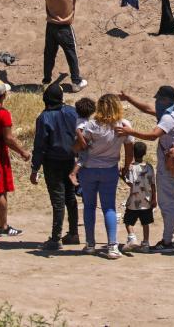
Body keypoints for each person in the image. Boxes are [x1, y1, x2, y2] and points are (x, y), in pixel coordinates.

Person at [117, 87, 174, 251]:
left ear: (165, 100)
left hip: (168, 169)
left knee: (167, 205)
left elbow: (152, 135)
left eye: (158, 99)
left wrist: (130, 131)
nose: (155, 103)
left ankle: (167, 241)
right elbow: (147, 108)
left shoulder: (167, 118)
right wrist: (128, 97)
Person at [29, 0, 106, 92]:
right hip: (65, 28)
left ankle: (46, 81)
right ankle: (76, 82)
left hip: (50, 27)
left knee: (49, 55)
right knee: (71, 55)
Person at [75, 93, 134, 259]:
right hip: (110, 169)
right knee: (109, 207)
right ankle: (112, 246)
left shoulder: (92, 124)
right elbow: (129, 150)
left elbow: (82, 146)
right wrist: (126, 167)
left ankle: (90, 244)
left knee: (89, 206)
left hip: (89, 169)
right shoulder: (123, 125)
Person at [30, 81, 79, 251]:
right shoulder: (72, 112)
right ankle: (73, 233)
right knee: (70, 197)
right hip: (71, 160)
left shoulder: (44, 117)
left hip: (52, 163)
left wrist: (35, 168)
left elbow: (40, 145)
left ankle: (56, 238)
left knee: (58, 200)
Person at [0, 80, 31, 237]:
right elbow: (8, 139)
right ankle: (3, 226)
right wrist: (23, 152)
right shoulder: (3, 114)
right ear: (3, 95)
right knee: (1, 190)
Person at [63, 96, 96, 245]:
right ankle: (76, 177)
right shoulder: (87, 122)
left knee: (81, 160)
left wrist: (82, 144)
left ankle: (73, 174)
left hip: (82, 153)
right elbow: (83, 137)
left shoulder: (79, 122)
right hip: (90, 156)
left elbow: (80, 137)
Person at [123, 141, 156, 254]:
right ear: (145, 153)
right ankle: (146, 243)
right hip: (146, 201)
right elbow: (153, 184)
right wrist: (154, 199)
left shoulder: (131, 168)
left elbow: (130, 183)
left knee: (128, 221)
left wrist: (121, 175)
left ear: (133, 153)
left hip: (133, 201)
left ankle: (132, 237)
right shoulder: (150, 167)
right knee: (145, 223)